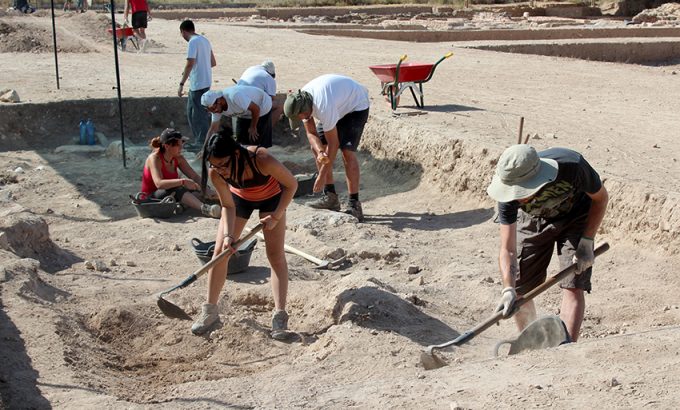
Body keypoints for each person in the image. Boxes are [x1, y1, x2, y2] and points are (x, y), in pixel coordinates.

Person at [486, 144, 609, 342]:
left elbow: (601, 198)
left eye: (522, 191)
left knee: (574, 281)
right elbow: (507, 249)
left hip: (576, 216)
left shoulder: (572, 167)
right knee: (520, 289)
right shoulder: (508, 192)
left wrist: (587, 240)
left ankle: (566, 347)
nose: (518, 196)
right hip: (533, 219)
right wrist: (508, 289)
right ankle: (533, 345)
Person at [191, 131, 298, 339]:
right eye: (214, 164)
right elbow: (227, 205)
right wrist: (230, 235)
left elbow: (291, 184)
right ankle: (210, 312)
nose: (219, 169)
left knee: (275, 256)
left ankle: (279, 316)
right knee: (220, 251)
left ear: (236, 155)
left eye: (223, 164)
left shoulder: (261, 158)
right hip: (239, 201)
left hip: (272, 199)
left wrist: (276, 217)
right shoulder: (216, 171)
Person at [283, 74, 370, 222]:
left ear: (306, 109)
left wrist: (321, 176)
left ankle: (354, 205)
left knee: (346, 152)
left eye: (300, 117)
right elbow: (311, 133)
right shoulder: (301, 101)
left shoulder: (323, 106)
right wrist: (320, 152)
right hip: (338, 105)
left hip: (355, 106)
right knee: (317, 148)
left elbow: (333, 144)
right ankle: (331, 197)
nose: (300, 119)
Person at [140, 128, 220, 218]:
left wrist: (205, 188)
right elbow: (159, 184)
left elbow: (194, 176)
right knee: (178, 188)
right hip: (151, 198)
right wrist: (183, 181)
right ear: (167, 146)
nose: (181, 148)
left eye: (182, 144)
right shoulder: (155, 158)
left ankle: (183, 206)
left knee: (198, 188)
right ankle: (206, 209)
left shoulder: (178, 158)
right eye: (178, 145)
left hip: (169, 196)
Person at [178, 20, 216, 149]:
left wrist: (181, 83)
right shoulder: (205, 40)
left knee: (198, 114)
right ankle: (200, 140)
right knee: (193, 112)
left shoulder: (193, 42)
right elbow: (213, 62)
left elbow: (190, 63)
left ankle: (201, 143)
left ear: (183, 31)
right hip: (205, 81)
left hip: (198, 83)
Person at [201, 85, 273, 148]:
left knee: (255, 142)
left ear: (219, 101)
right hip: (244, 112)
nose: (214, 112)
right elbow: (213, 129)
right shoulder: (216, 108)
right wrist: (204, 149)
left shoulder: (234, 96)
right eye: (211, 111)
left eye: (214, 109)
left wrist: (253, 127)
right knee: (240, 144)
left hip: (262, 107)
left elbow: (256, 109)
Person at [237, 60, 283, 127]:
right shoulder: (268, 77)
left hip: (238, 102)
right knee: (279, 107)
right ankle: (267, 129)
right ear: (271, 73)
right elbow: (272, 100)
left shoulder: (250, 69)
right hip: (251, 107)